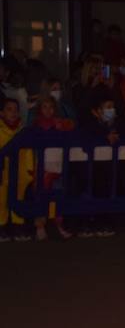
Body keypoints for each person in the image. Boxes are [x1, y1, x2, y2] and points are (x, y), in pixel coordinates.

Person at [28, 95, 74, 241]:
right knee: (41, 196)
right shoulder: (36, 124)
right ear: (40, 109)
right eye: (45, 107)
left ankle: (58, 225)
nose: (48, 110)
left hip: (57, 165)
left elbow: (73, 125)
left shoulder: (60, 123)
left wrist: (63, 125)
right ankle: (40, 226)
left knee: (57, 197)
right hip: (43, 167)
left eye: (51, 107)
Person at [0, 98, 32, 240]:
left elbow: (29, 152)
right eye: (9, 109)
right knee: (1, 200)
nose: (13, 113)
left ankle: (18, 226)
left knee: (19, 198)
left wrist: (30, 171)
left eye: (15, 110)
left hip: (21, 175)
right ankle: (2, 226)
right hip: (3, 173)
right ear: (2, 113)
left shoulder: (23, 132)